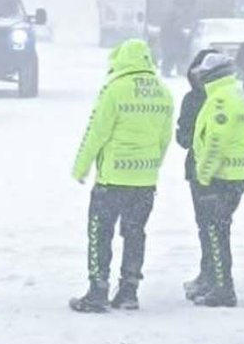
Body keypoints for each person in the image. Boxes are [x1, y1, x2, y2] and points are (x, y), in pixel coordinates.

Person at [71, 39, 174, 313]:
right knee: (135, 233)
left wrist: (81, 168)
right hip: (145, 181)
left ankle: (98, 291)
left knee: (100, 233)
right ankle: (129, 291)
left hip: (112, 179)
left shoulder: (114, 90)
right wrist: (152, 167)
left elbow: (97, 133)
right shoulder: (163, 92)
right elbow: (165, 138)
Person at [190, 52, 244, 307]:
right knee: (219, 231)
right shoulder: (238, 94)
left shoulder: (221, 99)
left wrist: (203, 176)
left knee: (216, 234)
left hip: (221, 177)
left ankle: (223, 289)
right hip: (236, 174)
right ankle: (219, 284)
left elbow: (215, 142)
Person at [176, 47, 219, 301]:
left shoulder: (207, 99)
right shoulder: (194, 99)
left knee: (212, 226)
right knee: (207, 226)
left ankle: (214, 275)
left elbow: (183, 136)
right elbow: (183, 135)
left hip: (210, 170)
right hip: (202, 170)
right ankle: (209, 272)